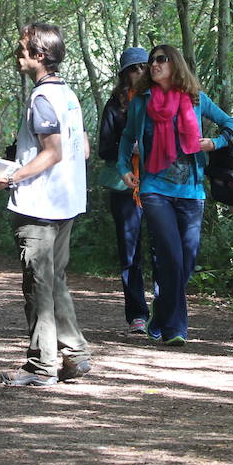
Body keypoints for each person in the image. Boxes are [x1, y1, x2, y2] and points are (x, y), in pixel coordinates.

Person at [0, 23, 91, 387]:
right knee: (52, 280)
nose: (18, 54)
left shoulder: (41, 98)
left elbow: (54, 151)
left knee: (37, 285)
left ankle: (41, 366)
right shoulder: (69, 96)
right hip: (67, 202)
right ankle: (74, 353)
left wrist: (10, 178)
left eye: (22, 48)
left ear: (39, 55)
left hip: (40, 207)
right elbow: (82, 150)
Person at [117, 44, 233, 345]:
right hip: (155, 187)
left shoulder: (196, 99)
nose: (154, 65)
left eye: (161, 60)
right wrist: (123, 169)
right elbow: (126, 139)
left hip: (192, 190)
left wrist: (215, 143)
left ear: (176, 65)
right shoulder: (141, 102)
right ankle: (176, 328)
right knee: (171, 254)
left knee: (186, 260)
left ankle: (160, 314)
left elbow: (231, 124)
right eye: (152, 61)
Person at [97, 47, 150, 333]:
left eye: (143, 67)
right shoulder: (114, 105)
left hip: (158, 183)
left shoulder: (160, 101)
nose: (139, 73)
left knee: (163, 249)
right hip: (124, 185)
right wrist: (128, 148)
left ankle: (167, 314)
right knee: (130, 252)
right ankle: (137, 315)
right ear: (124, 73)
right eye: (134, 68)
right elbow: (103, 148)